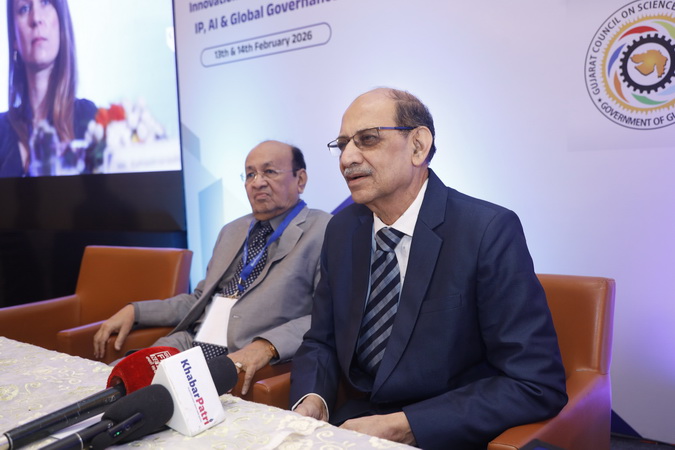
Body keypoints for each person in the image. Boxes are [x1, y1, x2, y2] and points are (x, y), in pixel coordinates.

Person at [290, 88, 568, 449]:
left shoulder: (486, 230)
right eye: (342, 145)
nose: (347, 158)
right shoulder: (342, 230)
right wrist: (312, 399)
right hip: (355, 424)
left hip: (448, 430)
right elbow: (322, 340)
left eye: (367, 139)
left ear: (418, 146)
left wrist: (403, 426)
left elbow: (535, 383)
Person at [94, 140, 331, 394]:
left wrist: (268, 345)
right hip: (188, 342)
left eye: (269, 171)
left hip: (238, 355)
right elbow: (198, 299)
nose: (257, 182)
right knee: (112, 384)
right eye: (250, 174)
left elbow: (327, 316)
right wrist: (136, 311)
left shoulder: (325, 231)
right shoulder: (232, 230)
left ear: (300, 179)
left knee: (146, 403)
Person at [0, 0, 96, 177]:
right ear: (14, 38)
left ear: (61, 21)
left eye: (45, 2)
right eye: (24, 8)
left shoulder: (89, 121)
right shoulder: (2, 131)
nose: (36, 18)